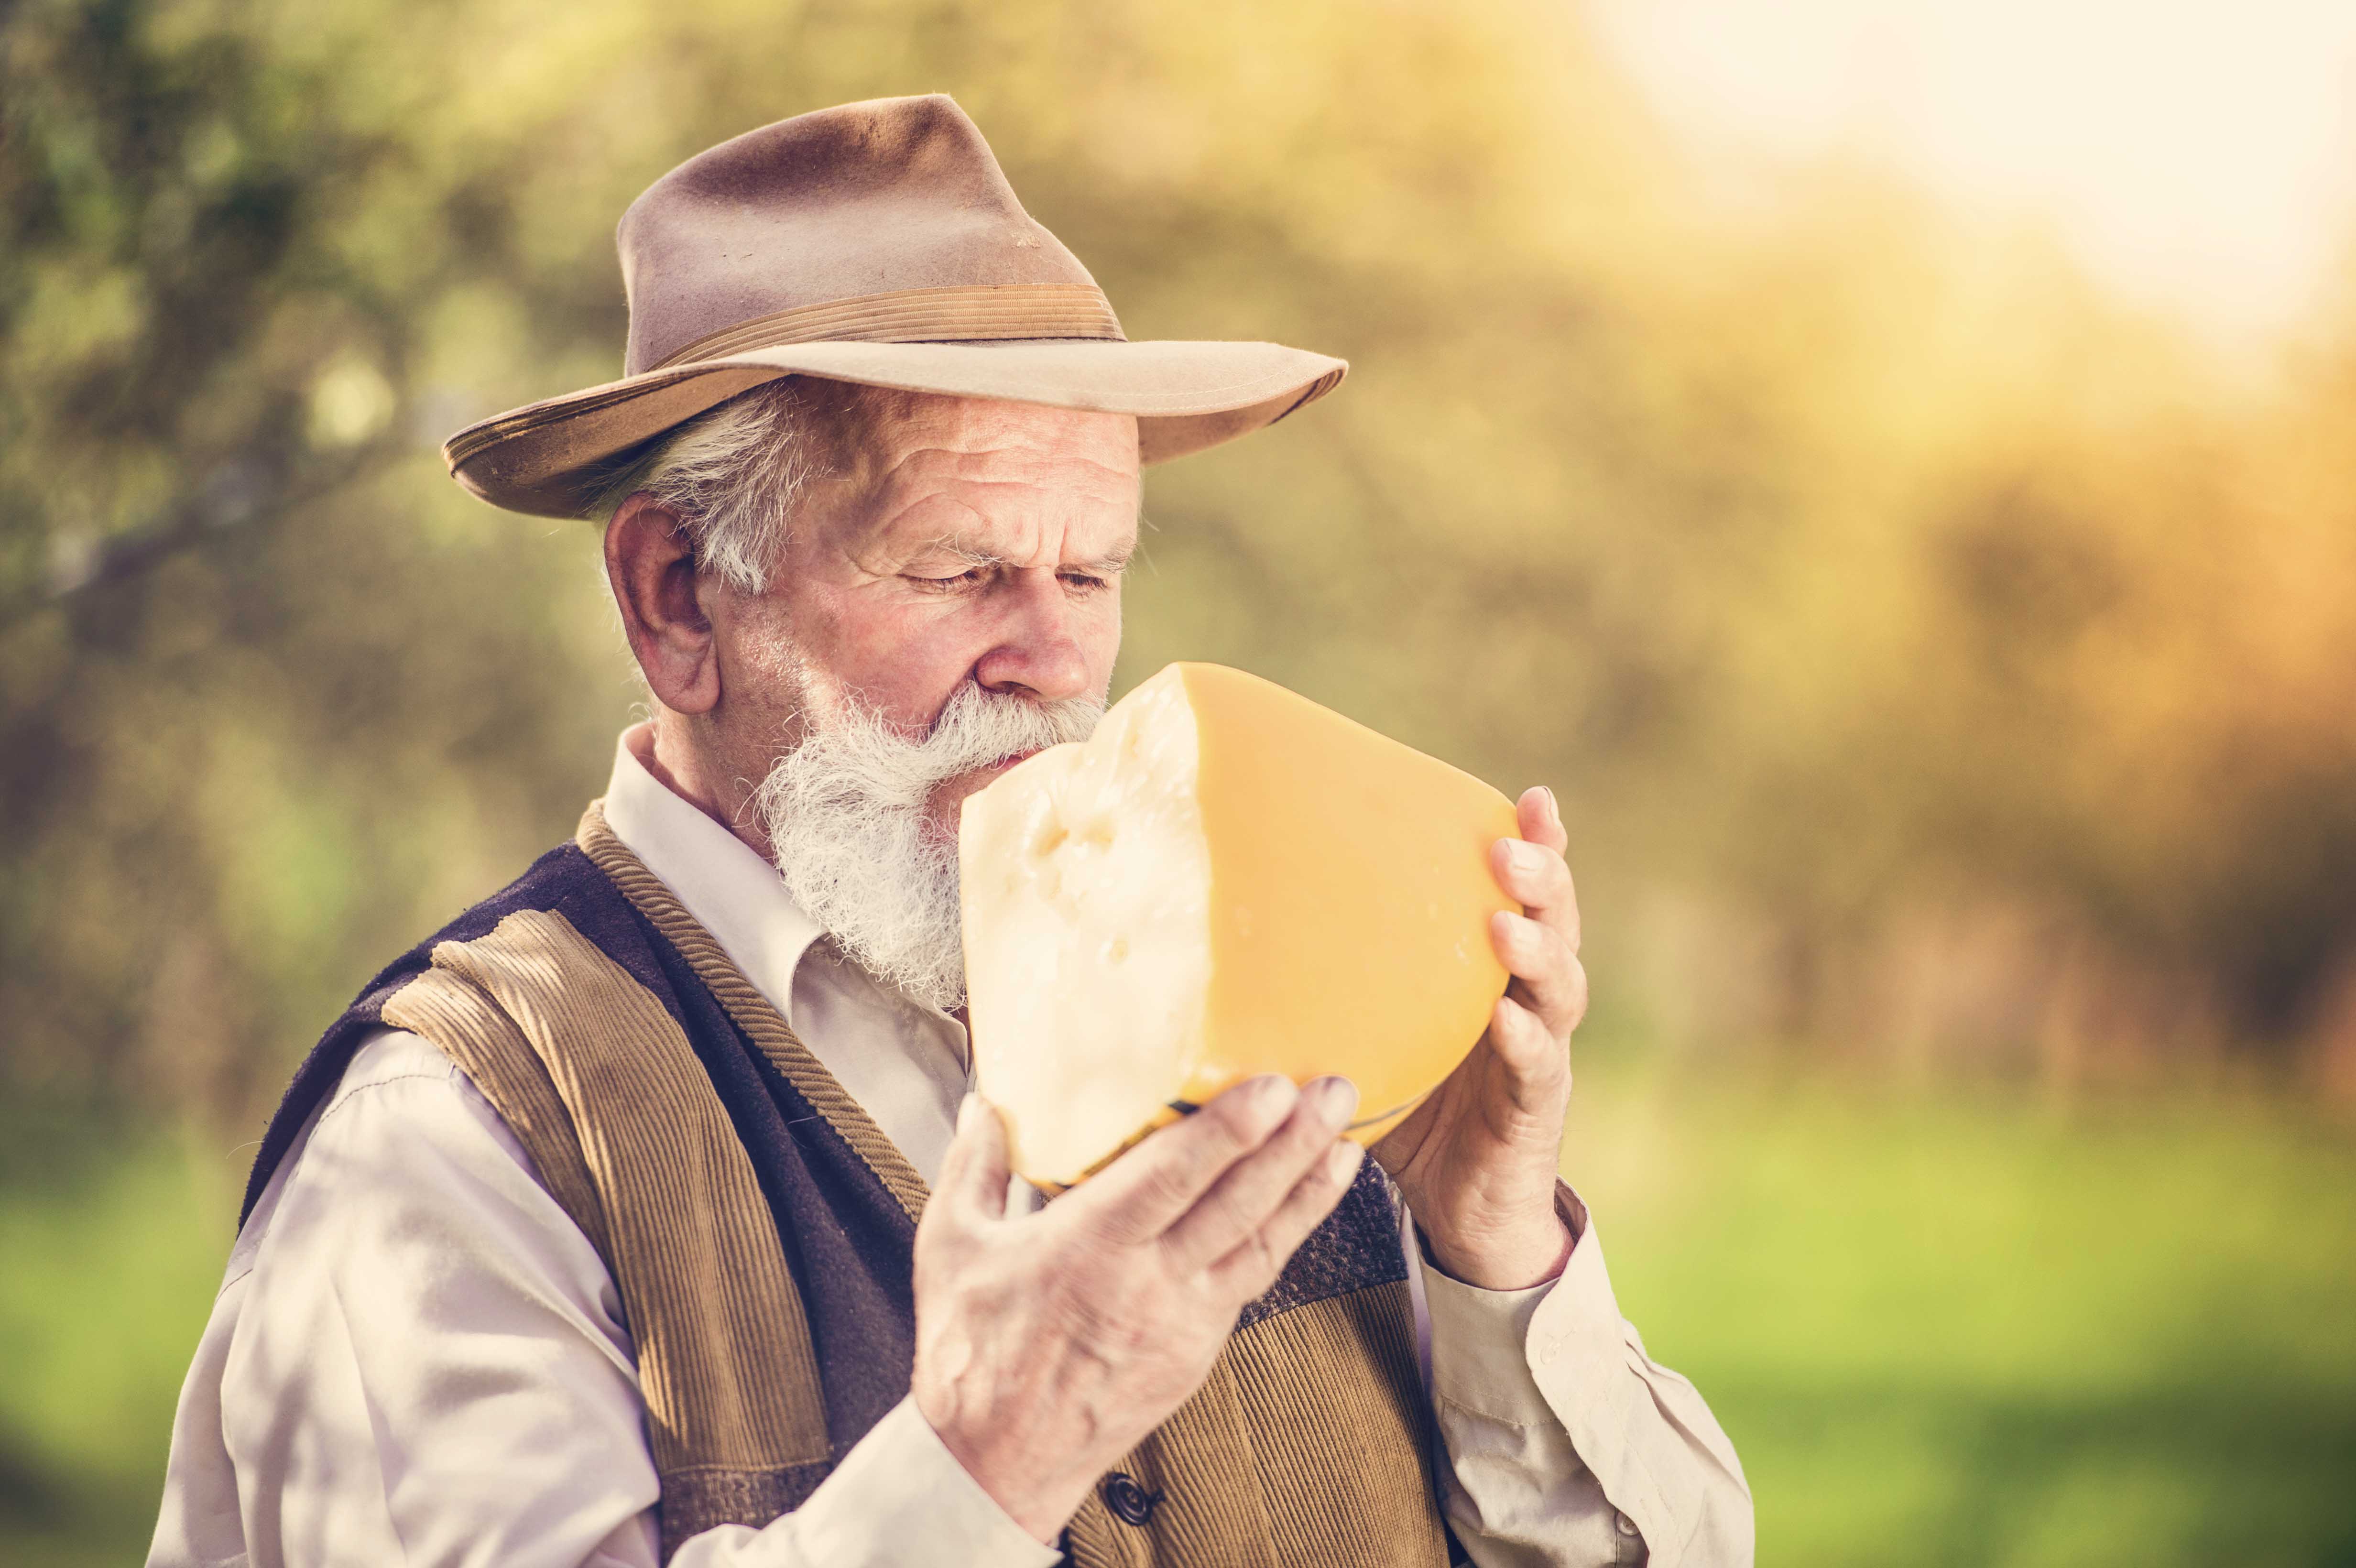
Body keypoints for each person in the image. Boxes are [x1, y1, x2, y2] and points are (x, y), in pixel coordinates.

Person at [148, 95, 1752, 1568]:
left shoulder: (1273, 1020)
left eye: (1092, 573)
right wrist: (988, 1453)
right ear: (674, 599)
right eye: (957, 570)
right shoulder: (450, 1141)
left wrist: (1494, 1258)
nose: (1051, 661)